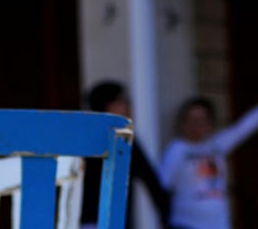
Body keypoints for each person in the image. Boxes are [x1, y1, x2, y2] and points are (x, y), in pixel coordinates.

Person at [81, 81, 170, 229]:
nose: (128, 107)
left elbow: (152, 181)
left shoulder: (83, 137)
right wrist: (165, 216)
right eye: (123, 101)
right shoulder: (120, 140)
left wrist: (164, 214)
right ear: (108, 105)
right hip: (98, 222)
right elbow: (151, 181)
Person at [159, 97, 258, 229]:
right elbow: (160, 186)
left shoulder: (216, 146)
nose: (196, 125)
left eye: (202, 120)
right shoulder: (177, 150)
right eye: (192, 120)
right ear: (182, 122)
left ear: (210, 124)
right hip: (185, 224)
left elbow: (243, 128)